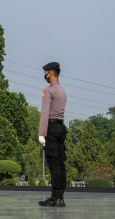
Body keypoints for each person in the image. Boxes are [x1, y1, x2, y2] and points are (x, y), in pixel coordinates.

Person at [38, 61, 68, 207]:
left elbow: (45, 113)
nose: (45, 75)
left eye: (46, 72)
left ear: (50, 73)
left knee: (53, 163)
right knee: (61, 163)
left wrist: (42, 133)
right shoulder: (62, 90)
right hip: (61, 127)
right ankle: (60, 196)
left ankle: (54, 196)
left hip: (51, 127)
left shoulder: (48, 90)